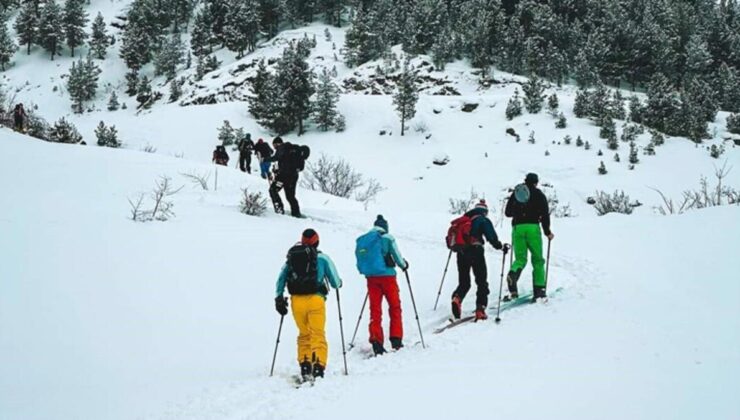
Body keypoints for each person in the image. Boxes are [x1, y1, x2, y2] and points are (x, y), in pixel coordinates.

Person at [275, 229, 343, 381]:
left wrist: (279, 297)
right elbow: (335, 282)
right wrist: (339, 283)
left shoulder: (292, 258)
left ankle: (305, 366)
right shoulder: (323, 259)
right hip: (315, 300)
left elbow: (281, 278)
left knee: (304, 334)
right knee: (318, 334)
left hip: (296, 301)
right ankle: (318, 367)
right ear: (317, 242)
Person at [355, 215, 409, 355]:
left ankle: (376, 339)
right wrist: (404, 265)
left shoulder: (366, 239)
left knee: (375, 309)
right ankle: (396, 339)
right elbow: (397, 257)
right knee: (395, 307)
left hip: (371, 278)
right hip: (388, 277)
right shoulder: (387, 238)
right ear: (385, 226)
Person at [504, 173, 554, 302]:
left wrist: (518, 210)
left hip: (517, 228)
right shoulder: (539, 194)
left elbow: (508, 213)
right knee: (537, 260)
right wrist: (547, 231)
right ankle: (539, 290)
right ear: (536, 182)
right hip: (533, 228)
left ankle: (513, 274)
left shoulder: (517, 193)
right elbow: (544, 214)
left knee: (520, 258)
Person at [451, 199, 503, 321]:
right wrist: (499, 246)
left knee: (464, 282)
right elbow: (491, 236)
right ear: (484, 211)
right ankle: (480, 310)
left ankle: (457, 298)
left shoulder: (463, 220)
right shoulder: (482, 219)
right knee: (481, 281)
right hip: (476, 251)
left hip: (461, 252)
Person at [267, 137, 305, 218]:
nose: (274, 147)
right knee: (290, 196)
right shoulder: (292, 149)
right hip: (293, 176)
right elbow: (285, 163)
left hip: (283, 176)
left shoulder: (282, 148)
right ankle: (296, 213)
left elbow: (276, 158)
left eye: (274, 145)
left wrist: (265, 159)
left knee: (273, 190)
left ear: (277, 143)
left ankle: (279, 209)